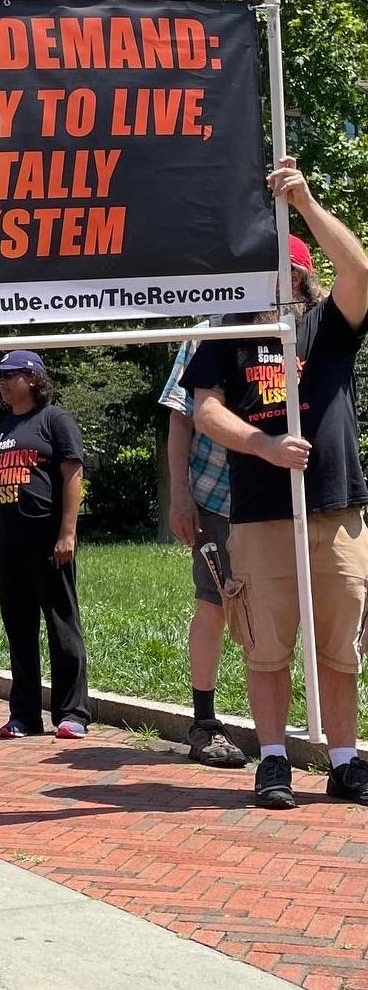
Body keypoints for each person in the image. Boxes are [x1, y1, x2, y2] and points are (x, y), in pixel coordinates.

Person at [181, 156, 368, 810]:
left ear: (304, 275)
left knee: (340, 641)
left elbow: (361, 272)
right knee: (265, 640)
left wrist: (308, 205)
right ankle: (271, 759)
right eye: (269, 272)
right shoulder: (230, 335)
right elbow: (202, 409)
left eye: (289, 270)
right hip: (259, 513)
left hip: (334, 507)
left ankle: (344, 761)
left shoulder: (327, 329)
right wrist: (261, 442)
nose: (279, 281)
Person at [0, 351, 89, 741]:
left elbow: (73, 472)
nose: (3, 382)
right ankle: (24, 714)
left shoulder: (54, 420)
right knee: (19, 629)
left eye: (11, 375)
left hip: (47, 540)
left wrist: (67, 532)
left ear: (34, 378)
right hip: (9, 544)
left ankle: (72, 712)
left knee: (62, 625)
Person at [160, 328, 246, 767]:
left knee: (285, 609)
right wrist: (180, 495)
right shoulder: (206, 334)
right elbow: (180, 416)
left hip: (283, 499)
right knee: (213, 606)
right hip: (215, 498)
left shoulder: (304, 329)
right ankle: (205, 722)